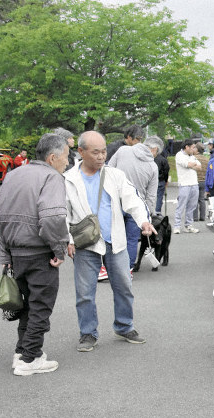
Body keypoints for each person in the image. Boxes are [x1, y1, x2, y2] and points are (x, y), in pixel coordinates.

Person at [65, 131, 156, 352]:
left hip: (115, 241)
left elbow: (132, 199)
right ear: (81, 151)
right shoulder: (68, 179)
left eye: (104, 151)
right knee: (85, 292)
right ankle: (88, 333)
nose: (101, 156)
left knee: (124, 286)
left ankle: (124, 326)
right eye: (95, 152)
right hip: (85, 243)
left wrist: (143, 221)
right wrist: (67, 240)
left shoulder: (115, 174)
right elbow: (62, 213)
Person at [0, 133, 70, 375]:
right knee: (41, 306)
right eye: (66, 157)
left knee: (27, 305)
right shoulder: (52, 177)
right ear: (52, 157)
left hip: (16, 251)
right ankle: (30, 359)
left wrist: (6, 255)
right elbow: (53, 217)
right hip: (40, 251)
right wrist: (59, 249)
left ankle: (23, 352)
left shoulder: (14, 175)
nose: (67, 162)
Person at [109, 135, 161, 269]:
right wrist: (149, 216)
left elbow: (108, 170)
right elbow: (151, 195)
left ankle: (110, 267)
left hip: (116, 201)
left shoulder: (122, 151)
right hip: (137, 205)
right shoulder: (152, 166)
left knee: (113, 236)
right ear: (154, 149)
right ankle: (128, 268)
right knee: (132, 239)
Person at [173, 139, 202, 233]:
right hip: (184, 184)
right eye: (192, 147)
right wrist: (192, 165)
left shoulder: (192, 156)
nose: (194, 149)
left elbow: (199, 167)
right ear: (187, 147)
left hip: (194, 183)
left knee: (192, 206)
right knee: (181, 205)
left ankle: (188, 225)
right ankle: (176, 226)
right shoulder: (179, 155)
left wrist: (191, 165)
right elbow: (188, 164)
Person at [193, 142, 208, 221]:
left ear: (197, 150)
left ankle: (195, 217)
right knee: (201, 199)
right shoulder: (206, 159)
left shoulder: (193, 158)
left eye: (194, 148)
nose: (193, 149)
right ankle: (202, 216)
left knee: (194, 199)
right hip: (203, 181)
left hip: (195, 181)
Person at [154, 146, 170, 214]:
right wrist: (166, 181)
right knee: (159, 197)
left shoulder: (152, 159)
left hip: (152, 180)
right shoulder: (164, 160)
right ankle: (157, 211)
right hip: (161, 180)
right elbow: (166, 171)